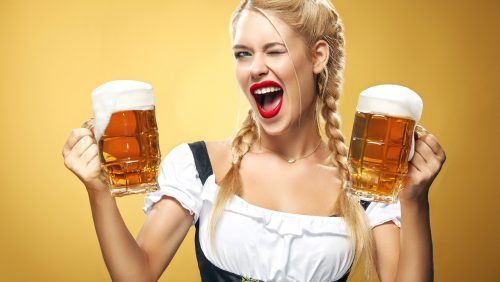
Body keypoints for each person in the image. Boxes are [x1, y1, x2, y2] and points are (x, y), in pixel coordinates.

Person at [62, 0, 446, 281]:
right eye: (243, 54)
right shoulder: (201, 168)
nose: (255, 67)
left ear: (317, 56)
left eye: (274, 50)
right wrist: (98, 191)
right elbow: (137, 276)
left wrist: (414, 201)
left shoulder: (361, 184)